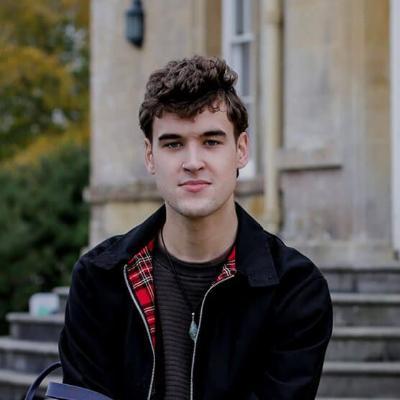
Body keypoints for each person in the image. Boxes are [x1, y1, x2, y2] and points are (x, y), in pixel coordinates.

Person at [59, 55, 333, 400]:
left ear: (241, 150)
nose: (192, 162)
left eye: (211, 141)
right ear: (149, 156)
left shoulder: (295, 290)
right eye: (173, 144)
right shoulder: (99, 278)